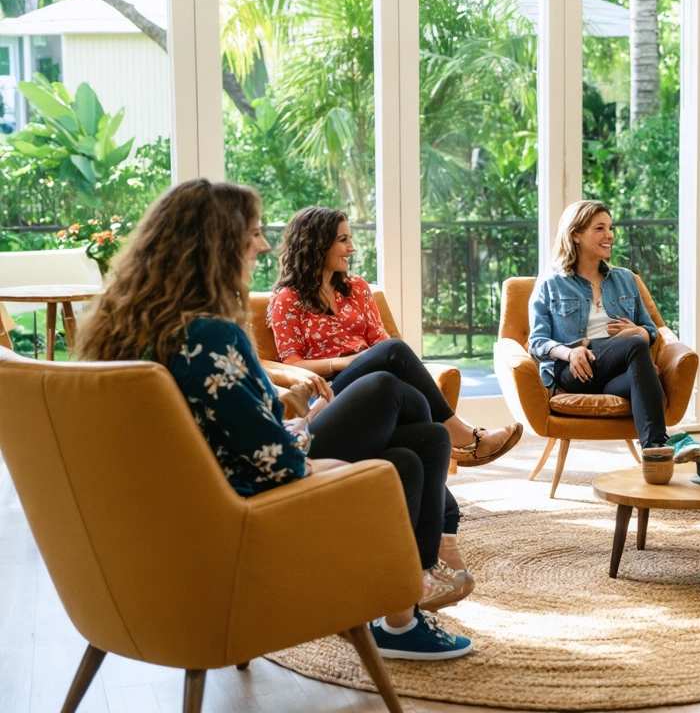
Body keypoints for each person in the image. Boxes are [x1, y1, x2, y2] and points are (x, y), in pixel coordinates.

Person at [75, 180, 472, 660]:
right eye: (254, 234)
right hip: (249, 505)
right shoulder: (211, 336)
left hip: (196, 497)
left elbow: (220, 424)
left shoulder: (140, 326)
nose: (263, 246)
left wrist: (293, 415)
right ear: (217, 245)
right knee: (390, 391)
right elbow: (277, 462)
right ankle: (409, 599)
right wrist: (308, 436)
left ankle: (406, 607)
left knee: (422, 442)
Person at [269, 206, 522, 468]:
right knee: (394, 351)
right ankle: (467, 436)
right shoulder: (288, 299)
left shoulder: (357, 289)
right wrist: (346, 362)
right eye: (343, 240)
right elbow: (293, 364)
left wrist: (368, 359)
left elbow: (381, 342)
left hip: (375, 379)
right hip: (330, 391)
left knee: (407, 383)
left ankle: (440, 473)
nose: (352, 248)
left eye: (351, 239)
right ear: (316, 244)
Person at [528, 200, 700, 461]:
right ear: (575, 235)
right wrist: (569, 354)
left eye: (610, 228)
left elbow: (651, 329)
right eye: (599, 228)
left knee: (645, 371)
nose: (609, 235)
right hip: (576, 370)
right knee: (635, 346)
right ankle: (663, 442)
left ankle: (656, 453)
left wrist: (642, 332)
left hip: (617, 371)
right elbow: (537, 342)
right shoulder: (552, 282)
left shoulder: (624, 278)